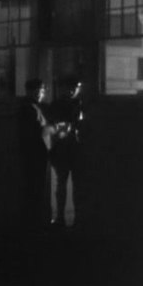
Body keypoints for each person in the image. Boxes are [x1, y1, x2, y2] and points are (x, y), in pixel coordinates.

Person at [48, 76, 84, 229]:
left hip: (64, 148)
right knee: (73, 185)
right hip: (72, 148)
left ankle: (61, 218)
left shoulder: (57, 104)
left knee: (62, 184)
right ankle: (74, 218)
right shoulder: (77, 104)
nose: (74, 90)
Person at [18, 78, 52, 233]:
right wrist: (53, 129)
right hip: (35, 153)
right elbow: (38, 131)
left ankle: (33, 220)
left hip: (33, 153)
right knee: (35, 187)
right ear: (30, 91)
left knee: (34, 187)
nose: (41, 94)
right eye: (39, 91)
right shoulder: (30, 109)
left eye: (43, 91)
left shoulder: (32, 107)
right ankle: (35, 221)